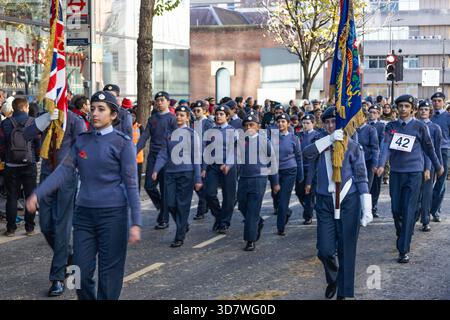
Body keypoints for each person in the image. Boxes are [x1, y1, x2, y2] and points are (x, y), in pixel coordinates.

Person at [26, 90, 141, 300]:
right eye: (93, 108)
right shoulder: (82, 141)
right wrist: (38, 193)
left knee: (109, 273)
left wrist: (136, 223)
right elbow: (63, 171)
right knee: (78, 271)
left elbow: (132, 185)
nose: (94, 113)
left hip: (113, 216)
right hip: (84, 216)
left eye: (101, 109)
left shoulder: (123, 143)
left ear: (113, 115)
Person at [304, 106, 372, 300]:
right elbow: (307, 154)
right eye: (327, 122)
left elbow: (361, 177)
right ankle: (334, 278)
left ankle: (345, 293)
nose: (330, 125)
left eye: (334, 122)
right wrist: (329, 139)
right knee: (325, 250)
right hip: (325, 201)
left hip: (348, 201)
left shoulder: (351, 145)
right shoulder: (320, 142)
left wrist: (366, 207)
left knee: (347, 250)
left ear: (341, 123)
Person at [24, 103, 85, 296]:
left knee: (62, 227)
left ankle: (57, 277)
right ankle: (68, 256)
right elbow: (25, 135)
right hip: (47, 176)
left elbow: (82, 148)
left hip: (67, 178)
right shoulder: (45, 117)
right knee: (46, 225)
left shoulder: (75, 120)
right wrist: (45, 120)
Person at [377, 94, 444, 263]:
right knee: (396, 209)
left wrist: (437, 166)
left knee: (408, 209)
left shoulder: (420, 127)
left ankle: (403, 249)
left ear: (412, 109)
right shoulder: (391, 126)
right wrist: (380, 164)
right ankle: (404, 231)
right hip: (396, 173)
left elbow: (429, 148)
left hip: (414, 173)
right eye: (401, 106)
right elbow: (385, 147)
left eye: (407, 106)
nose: (403, 109)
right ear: (397, 109)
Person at [152, 105, 203, 247]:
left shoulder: (192, 134)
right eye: (177, 115)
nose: (179, 117)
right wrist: (156, 170)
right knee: (169, 203)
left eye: (182, 115)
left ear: (187, 118)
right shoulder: (169, 134)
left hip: (186, 173)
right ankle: (183, 224)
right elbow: (163, 153)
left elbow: (196, 157)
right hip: (170, 173)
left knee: (182, 204)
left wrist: (198, 178)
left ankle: (179, 236)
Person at [237, 114, 279, 251]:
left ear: (257, 127)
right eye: (246, 126)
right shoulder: (241, 141)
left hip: (259, 179)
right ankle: (258, 222)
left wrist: (275, 182)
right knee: (242, 206)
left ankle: (250, 240)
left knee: (252, 210)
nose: (249, 128)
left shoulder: (264, 141)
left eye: (252, 125)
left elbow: (272, 161)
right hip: (243, 178)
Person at [0, 96, 40, 237]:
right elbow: (37, 143)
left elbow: (2, 144)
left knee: (12, 196)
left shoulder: (5, 123)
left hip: (11, 164)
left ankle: (11, 229)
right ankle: (30, 228)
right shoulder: (33, 122)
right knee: (30, 196)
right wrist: (36, 158)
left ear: (14, 108)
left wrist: (5, 158)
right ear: (24, 107)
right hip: (29, 164)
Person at [137, 91, 177, 229]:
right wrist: (135, 151)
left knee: (165, 189)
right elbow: (144, 137)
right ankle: (162, 207)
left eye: (162, 100)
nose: (159, 102)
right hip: (153, 157)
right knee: (149, 185)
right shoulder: (152, 119)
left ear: (167, 101)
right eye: (157, 100)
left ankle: (164, 219)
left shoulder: (173, 119)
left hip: (167, 157)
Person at [203, 105, 237, 234]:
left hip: (229, 167)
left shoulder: (232, 131)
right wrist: (204, 168)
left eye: (221, 114)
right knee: (209, 193)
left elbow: (235, 150)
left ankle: (224, 223)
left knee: (229, 196)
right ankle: (219, 216)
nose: (218, 116)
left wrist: (228, 164)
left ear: (227, 116)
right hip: (213, 166)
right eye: (217, 114)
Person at [273, 113, 303, 235]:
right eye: (279, 121)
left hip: (290, 171)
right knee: (278, 199)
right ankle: (286, 212)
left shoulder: (294, 138)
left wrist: (300, 175)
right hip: (276, 172)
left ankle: (280, 228)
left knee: (284, 199)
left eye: (283, 122)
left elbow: (299, 156)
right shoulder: (272, 138)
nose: (280, 124)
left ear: (288, 124)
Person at [417, 100, 443, 232]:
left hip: (430, 165)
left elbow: (437, 149)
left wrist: (440, 166)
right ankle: (413, 216)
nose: (423, 111)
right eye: (421, 109)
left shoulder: (435, 128)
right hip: (414, 164)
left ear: (430, 112)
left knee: (427, 193)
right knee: (415, 192)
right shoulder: (413, 126)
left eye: (426, 110)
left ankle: (425, 220)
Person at [191, 100, 215, 220]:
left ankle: (201, 210)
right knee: (196, 184)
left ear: (204, 111)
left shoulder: (208, 123)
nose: (196, 112)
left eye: (198, 110)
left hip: (205, 157)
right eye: (194, 110)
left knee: (201, 183)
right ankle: (205, 205)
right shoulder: (193, 123)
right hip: (195, 156)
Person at [296, 114, 320, 225]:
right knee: (299, 191)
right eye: (303, 123)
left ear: (313, 124)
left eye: (307, 123)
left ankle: (308, 216)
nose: (305, 125)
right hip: (299, 167)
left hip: (311, 167)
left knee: (309, 192)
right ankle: (310, 207)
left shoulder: (316, 136)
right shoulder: (298, 135)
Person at [430, 91, 450, 222]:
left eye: (439, 101)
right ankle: (426, 208)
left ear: (443, 102)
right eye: (434, 101)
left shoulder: (448, 117)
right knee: (427, 181)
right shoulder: (429, 117)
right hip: (429, 152)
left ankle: (435, 210)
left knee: (441, 182)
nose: (436, 103)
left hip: (444, 151)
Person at [368, 105, 385, 218]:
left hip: (376, 158)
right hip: (365, 158)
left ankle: (373, 205)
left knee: (376, 184)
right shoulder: (364, 125)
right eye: (370, 112)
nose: (372, 114)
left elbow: (383, 143)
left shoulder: (381, 126)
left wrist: (380, 161)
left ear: (379, 114)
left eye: (375, 112)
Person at [356, 111, 379, 190]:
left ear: (365, 118)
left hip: (367, 162)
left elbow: (375, 148)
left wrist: (374, 164)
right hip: (355, 162)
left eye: (360, 116)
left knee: (366, 188)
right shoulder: (351, 130)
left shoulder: (371, 129)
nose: (358, 118)